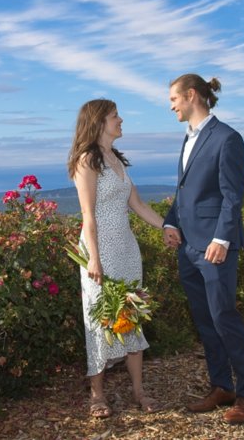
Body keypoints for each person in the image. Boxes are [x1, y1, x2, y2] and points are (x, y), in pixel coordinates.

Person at [161, 74, 244, 424]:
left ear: (191, 96)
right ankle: (222, 386)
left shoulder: (227, 138)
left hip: (214, 247)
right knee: (205, 321)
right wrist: (171, 222)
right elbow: (185, 191)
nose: (170, 105)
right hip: (188, 247)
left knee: (224, 318)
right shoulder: (187, 139)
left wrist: (222, 239)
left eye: (173, 98)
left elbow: (233, 196)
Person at [68, 98, 166, 419]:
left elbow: (137, 204)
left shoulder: (116, 159)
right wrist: (93, 259)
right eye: (115, 116)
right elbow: (88, 216)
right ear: (98, 122)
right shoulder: (87, 161)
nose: (121, 120)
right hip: (100, 250)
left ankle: (139, 391)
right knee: (100, 318)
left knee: (132, 315)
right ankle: (97, 395)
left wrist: (168, 227)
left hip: (126, 249)